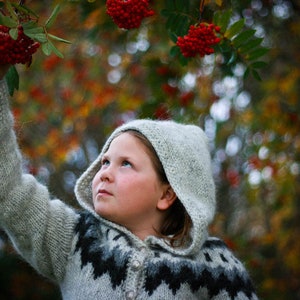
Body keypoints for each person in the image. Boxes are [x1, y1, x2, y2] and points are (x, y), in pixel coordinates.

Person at [0, 66, 258, 300]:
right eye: (104, 162)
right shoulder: (73, 239)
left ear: (167, 194)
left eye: (126, 164)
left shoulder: (216, 267)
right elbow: (9, 190)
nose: (105, 173)